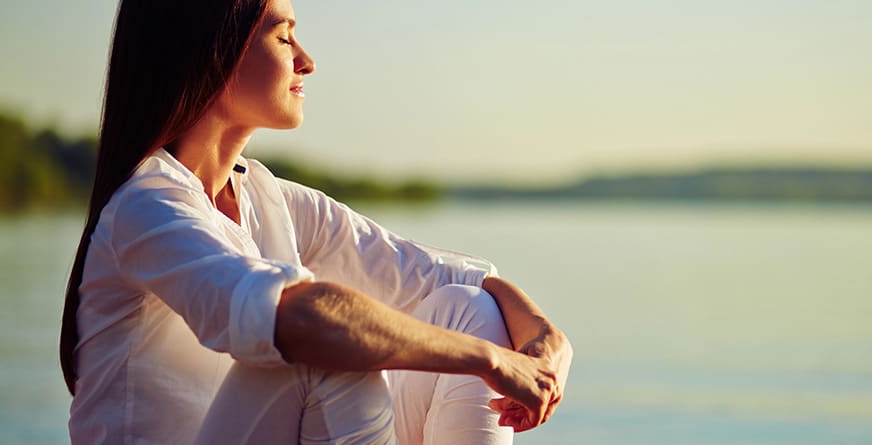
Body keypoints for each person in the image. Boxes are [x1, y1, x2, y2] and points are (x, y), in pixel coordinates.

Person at [58, 0, 573, 443]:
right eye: (284, 38)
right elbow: (299, 319)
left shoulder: (267, 197)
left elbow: (454, 280)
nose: (307, 61)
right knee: (320, 347)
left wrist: (547, 342)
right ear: (212, 50)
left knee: (469, 308)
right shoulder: (145, 206)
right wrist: (491, 361)